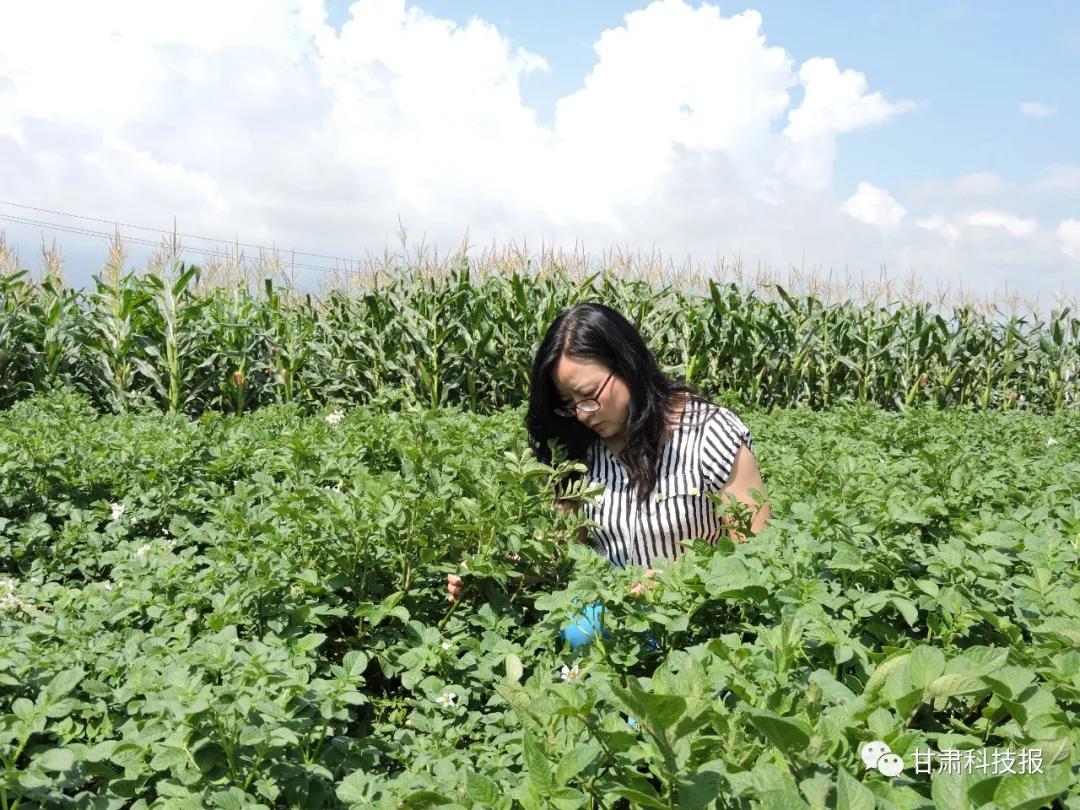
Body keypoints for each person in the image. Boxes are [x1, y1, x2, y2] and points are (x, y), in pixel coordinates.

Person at [447, 302, 771, 616]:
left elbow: (758, 557)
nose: (582, 414)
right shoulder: (583, 452)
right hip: (612, 633)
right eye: (569, 403)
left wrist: (679, 582)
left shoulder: (709, 434)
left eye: (589, 395)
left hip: (695, 629)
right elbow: (555, 552)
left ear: (627, 365)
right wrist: (490, 571)